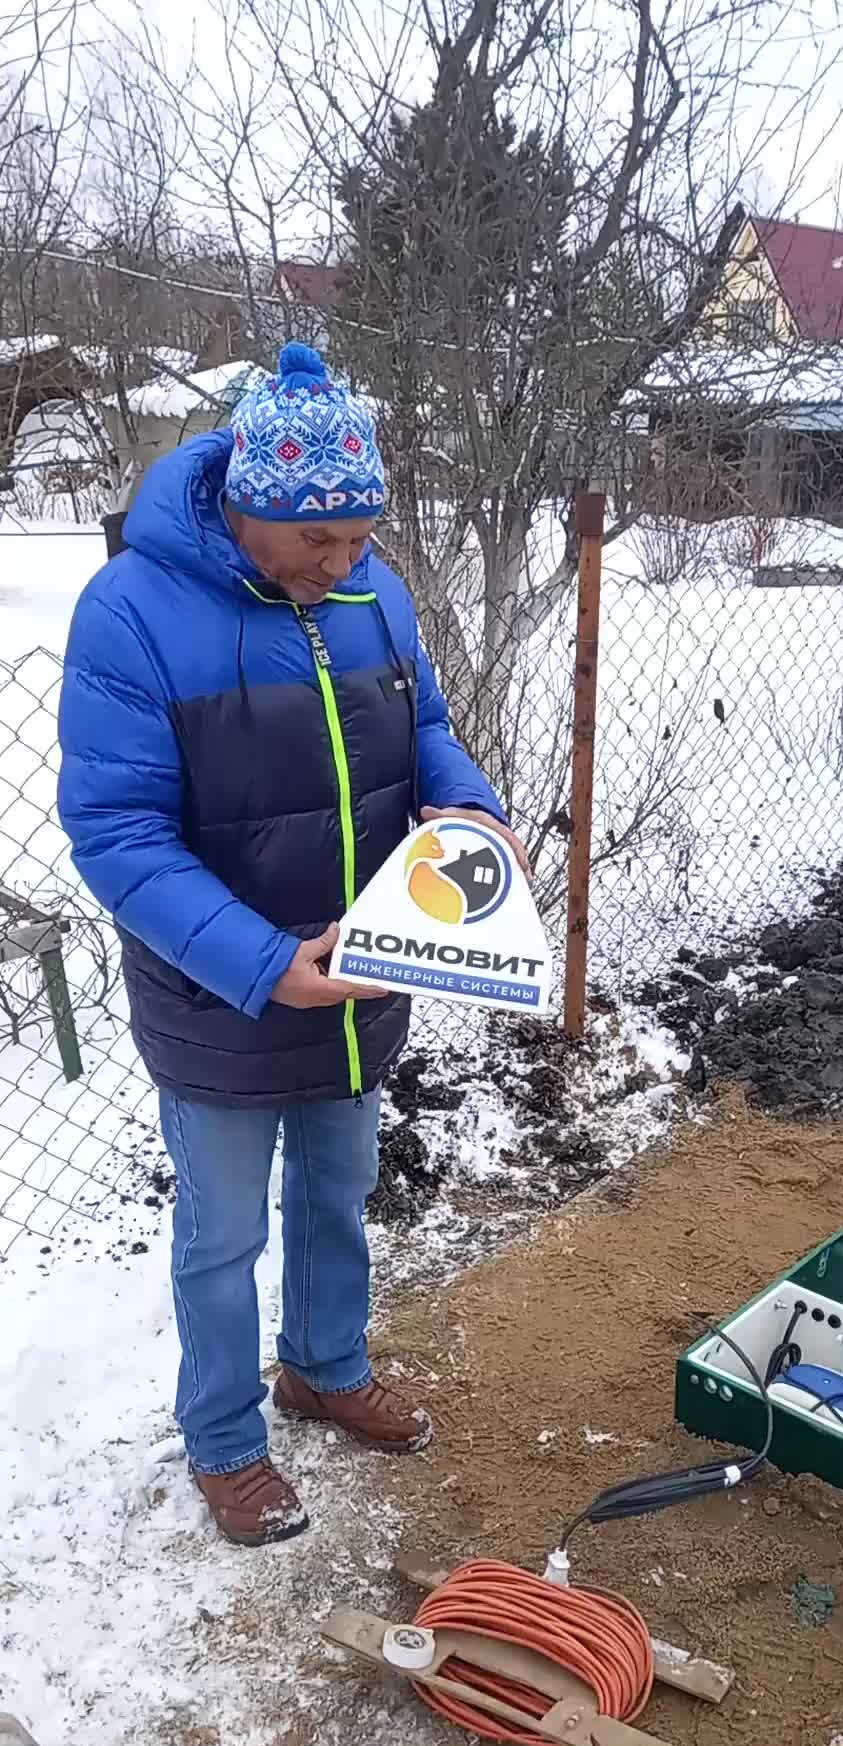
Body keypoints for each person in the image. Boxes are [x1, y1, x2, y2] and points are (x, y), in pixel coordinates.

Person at [58, 342, 524, 1547]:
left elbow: (426, 725)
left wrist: (467, 802)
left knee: (338, 1191)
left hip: (371, 967)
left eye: (362, 534)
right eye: (320, 542)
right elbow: (114, 833)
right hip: (222, 994)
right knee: (224, 1234)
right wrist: (266, 962)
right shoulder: (134, 612)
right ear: (246, 507)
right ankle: (222, 1437)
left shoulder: (376, 592)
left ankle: (323, 1363)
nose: (346, 560)